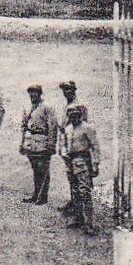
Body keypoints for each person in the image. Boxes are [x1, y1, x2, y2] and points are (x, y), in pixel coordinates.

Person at [63, 103, 100, 235]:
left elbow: (95, 146)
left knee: (85, 191)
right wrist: (64, 153)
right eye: (70, 114)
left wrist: (95, 164)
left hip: (83, 161)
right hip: (70, 162)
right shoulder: (68, 129)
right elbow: (64, 144)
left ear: (80, 114)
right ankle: (78, 218)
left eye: (76, 114)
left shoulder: (87, 128)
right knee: (75, 191)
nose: (73, 116)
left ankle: (89, 222)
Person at [19, 85, 57, 204]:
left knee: (43, 170)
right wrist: (22, 143)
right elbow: (24, 126)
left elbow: (53, 127)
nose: (32, 95)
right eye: (30, 93)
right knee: (36, 169)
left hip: (43, 141)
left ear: (40, 93)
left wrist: (51, 145)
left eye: (35, 93)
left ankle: (42, 196)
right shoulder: (28, 107)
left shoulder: (47, 107)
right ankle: (36, 194)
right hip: (31, 142)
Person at [56, 80, 81, 215]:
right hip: (65, 143)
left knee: (74, 174)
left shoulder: (77, 106)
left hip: (73, 145)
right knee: (70, 174)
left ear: (74, 90)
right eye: (64, 90)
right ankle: (73, 200)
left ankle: (77, 204)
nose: (66, 93)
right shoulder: (67, 105)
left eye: (68, 90)